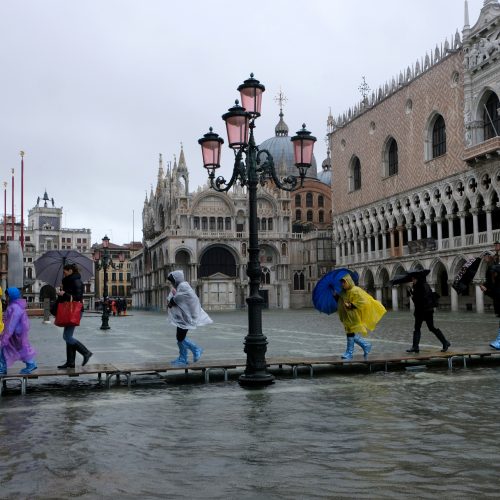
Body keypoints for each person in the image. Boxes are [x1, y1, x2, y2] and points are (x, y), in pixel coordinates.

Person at [335, 273, 386, 360]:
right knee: (350, 333)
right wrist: (335, 296)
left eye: (344, 282)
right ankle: (365, 345)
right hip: (347, 316)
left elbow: (363, 301)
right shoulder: (344, 292)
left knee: (350, 334)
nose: (342, 284)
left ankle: (350, 353)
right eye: (342, 283)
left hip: (353, 316)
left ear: (348, 281)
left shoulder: (356, 290)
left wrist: (351, 305)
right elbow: (340, 301)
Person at [166, 270, 212, 365]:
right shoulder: (181, 286)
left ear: (177, 279)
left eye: (172, 281)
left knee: (180, 337)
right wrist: (172, 298)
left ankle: (195, 350)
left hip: (187, 318)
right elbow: (176, 298)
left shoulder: (183, 286)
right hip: (183, 317)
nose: (172, 283)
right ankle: (183, 358)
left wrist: (171, 301)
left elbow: (175, 300)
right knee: (180, 337)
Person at [56, 263, 92, 369]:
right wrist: (62, 292)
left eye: (65, 271)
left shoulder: (76, 281)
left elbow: (78, 297)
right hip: (69, 310)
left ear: (70, 270)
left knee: (67, 336)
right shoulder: (68, 281)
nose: (64, 273)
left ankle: (86, 352)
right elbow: (69, 296)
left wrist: (65, 294)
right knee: (68, 336)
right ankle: (70, 362)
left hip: (75, 311)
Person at [406, 272, 450, 353]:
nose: (412, 280)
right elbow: (419, 297)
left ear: (417, 279)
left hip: (422, 310)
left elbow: (417, 300)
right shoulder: (424, 285)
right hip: (427, 310)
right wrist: (411, 291)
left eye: (413, 279)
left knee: (418, 328)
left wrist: (411, 293)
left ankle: (415, 347)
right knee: (430, 328)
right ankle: (445, 342)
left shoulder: (420, 287)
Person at [0, 287, 37, 375]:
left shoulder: (14, 307)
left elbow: (12, 322)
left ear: (11, 296)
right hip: (15, 333)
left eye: (7, 295)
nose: (6, 297)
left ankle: (2, 368)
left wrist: (6, 335)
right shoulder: (15, 305)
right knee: (20, 348)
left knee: (16, 348)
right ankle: (3, 367)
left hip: (15, 333)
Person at [480, 258, 500, 349]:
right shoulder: (496, 282)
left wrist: (486, 290)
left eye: (494, 272)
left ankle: (499, 342)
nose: (493, 274)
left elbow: (496, 294)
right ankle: (498, 341)